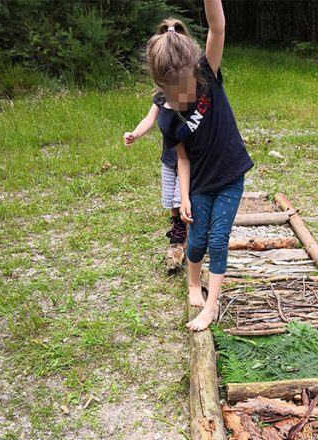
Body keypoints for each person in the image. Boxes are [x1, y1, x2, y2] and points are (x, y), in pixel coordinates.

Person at [146, 2, 254, 331]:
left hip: (230, 175)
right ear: (160, 85)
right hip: (199, 183)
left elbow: (217, 27)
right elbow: (181, 158)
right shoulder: (166, 117)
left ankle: (211, 305)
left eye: (184, 85)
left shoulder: (208, 73)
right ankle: (194, 283)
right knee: (196, 242)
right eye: (171, 90)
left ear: (194, 70)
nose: (180, 95)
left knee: (218, 240)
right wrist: (184, 197)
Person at [123, 90, 188, 245]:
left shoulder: (188, 96)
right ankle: (175, 221)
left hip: (186, 157)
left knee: (180, 195)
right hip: (168, 156)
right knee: (168, 194)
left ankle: (182, 225)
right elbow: (149, 119)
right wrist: (135, 134)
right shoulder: (161, 97)